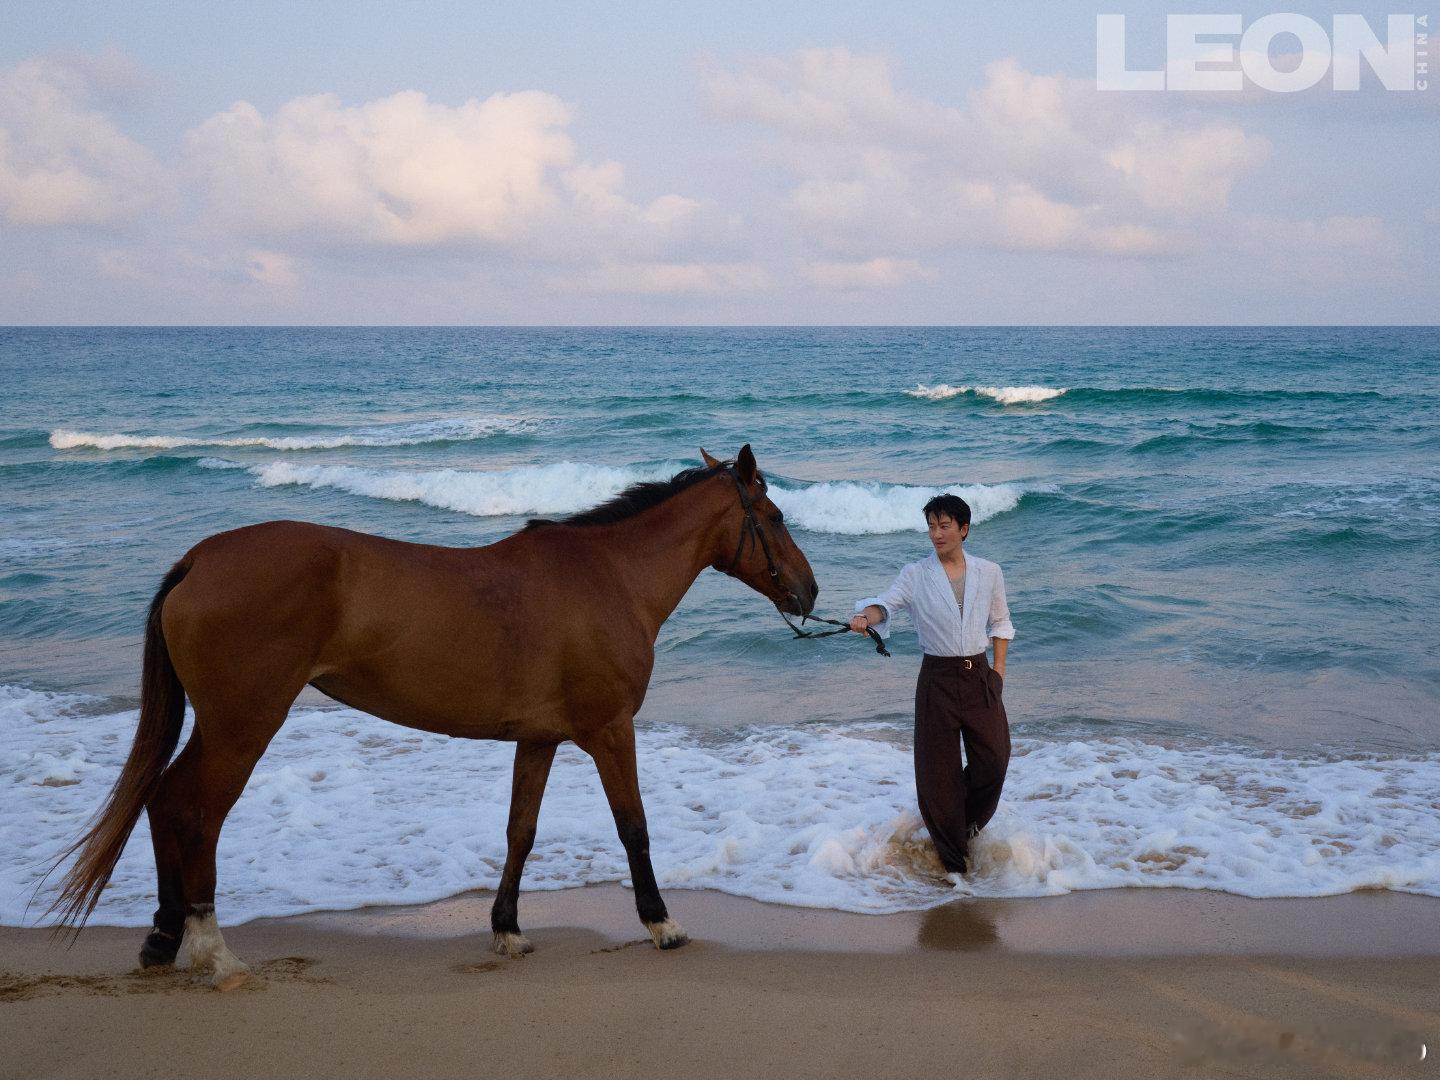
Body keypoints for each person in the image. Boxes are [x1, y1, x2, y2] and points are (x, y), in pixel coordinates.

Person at [850, 494, 1015, 882]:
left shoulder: (989, 572)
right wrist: (864, 617)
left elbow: (1001, 623)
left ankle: (964, 825)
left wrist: (998, 674)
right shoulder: (916, 574)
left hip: (979, 676)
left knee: (995, 759)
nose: (936, 534)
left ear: (963, 529)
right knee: (937, 775)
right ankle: (955, 868)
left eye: (944, 526)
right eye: (931, 526)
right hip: (936, 679)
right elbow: (885, 605)